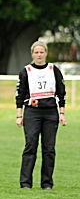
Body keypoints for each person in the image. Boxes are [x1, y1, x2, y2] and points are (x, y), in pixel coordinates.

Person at [16, 41, 67, 190]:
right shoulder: (26, 71)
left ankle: (47, 183)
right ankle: (25, 183)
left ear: (46, 53)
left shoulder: (54, 70)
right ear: (32, 54)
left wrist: (62, 113)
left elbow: (61, 93)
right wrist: (19, 115)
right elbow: (20, 95)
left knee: (49, 149)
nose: (39, 55)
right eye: (36, 52)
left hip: (51, 113)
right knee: (30, 146)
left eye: (41, 52)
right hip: (32, 112)